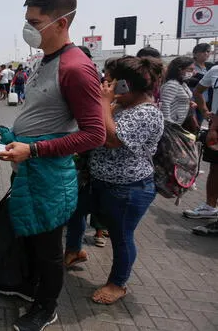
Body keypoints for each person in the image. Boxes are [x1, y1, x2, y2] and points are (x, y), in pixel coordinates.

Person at [0, 0, 105, 331]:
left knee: (48, 247)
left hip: (49, 175)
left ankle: (46, 308)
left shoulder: (75, 68)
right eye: (27, 19)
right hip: (29, 168)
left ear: (61, 23)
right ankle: (28, 288)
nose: (28, 27)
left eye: (35, 21)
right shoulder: (46, 60)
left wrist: (35, 149)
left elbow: (94, 134)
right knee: (29, 233)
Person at [78, 57, 164, 305]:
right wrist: (109, 103)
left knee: (122, 236)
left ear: (125, 84)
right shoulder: (123, 106)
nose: (105, 84)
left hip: (128, 189)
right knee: (74, 211)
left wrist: (105, 102)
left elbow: (113, 139)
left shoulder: (147, 113)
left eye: (110, 80)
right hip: (101, 182)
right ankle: (73, 251)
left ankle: (118, 283)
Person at [184, 63, 218, 225]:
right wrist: (205, 112)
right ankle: (210, 206)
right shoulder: (215, 70)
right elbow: (198, 92)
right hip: (216, 127)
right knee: (215, 167)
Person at [159, 57, 196, 126]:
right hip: (171, 124)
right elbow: (165, 104)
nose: (193, 72)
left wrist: (189, 102)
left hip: (179, 123)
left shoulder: (182, 83)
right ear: (180, 69)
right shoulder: (172, 84)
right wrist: (169, 123)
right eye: (190, 69)